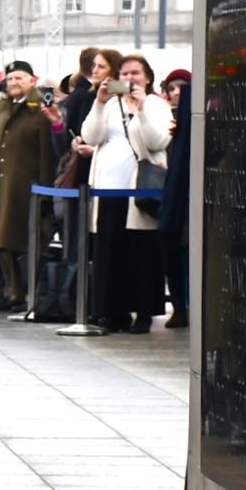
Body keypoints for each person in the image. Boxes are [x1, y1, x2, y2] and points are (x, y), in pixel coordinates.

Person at [82, 53, 172, 333]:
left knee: (141, 253)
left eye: (135, 73)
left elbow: (157, 141)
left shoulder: (157, 105)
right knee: (110, 253)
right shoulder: (110, 105)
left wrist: (142, 110)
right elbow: (91, 136)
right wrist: (98, 103)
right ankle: (111, 310)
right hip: (108, 192)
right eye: (125, 74)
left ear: (147, 77)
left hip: (139, 191)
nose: (130, 79)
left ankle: (143, 311)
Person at [0, 61, 60, 310]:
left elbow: (48, 153)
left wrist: (47, 192)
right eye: (11, 79)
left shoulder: (40, 109)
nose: (14, 83)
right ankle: (12, 290)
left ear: (31, 81)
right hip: (2, 186)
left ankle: (28, 293)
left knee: (27, 241)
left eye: (20, 79)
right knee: (2, 240)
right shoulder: (1, 105)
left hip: (28, 186)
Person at [158, 68, 193, 329]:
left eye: (182, 87)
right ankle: (179, 306)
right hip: (168, 191)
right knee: (172, 248)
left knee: (188, 251)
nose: (177, 92)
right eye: (172, 88)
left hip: (188, 192)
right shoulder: (162, 117)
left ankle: (188, 305)